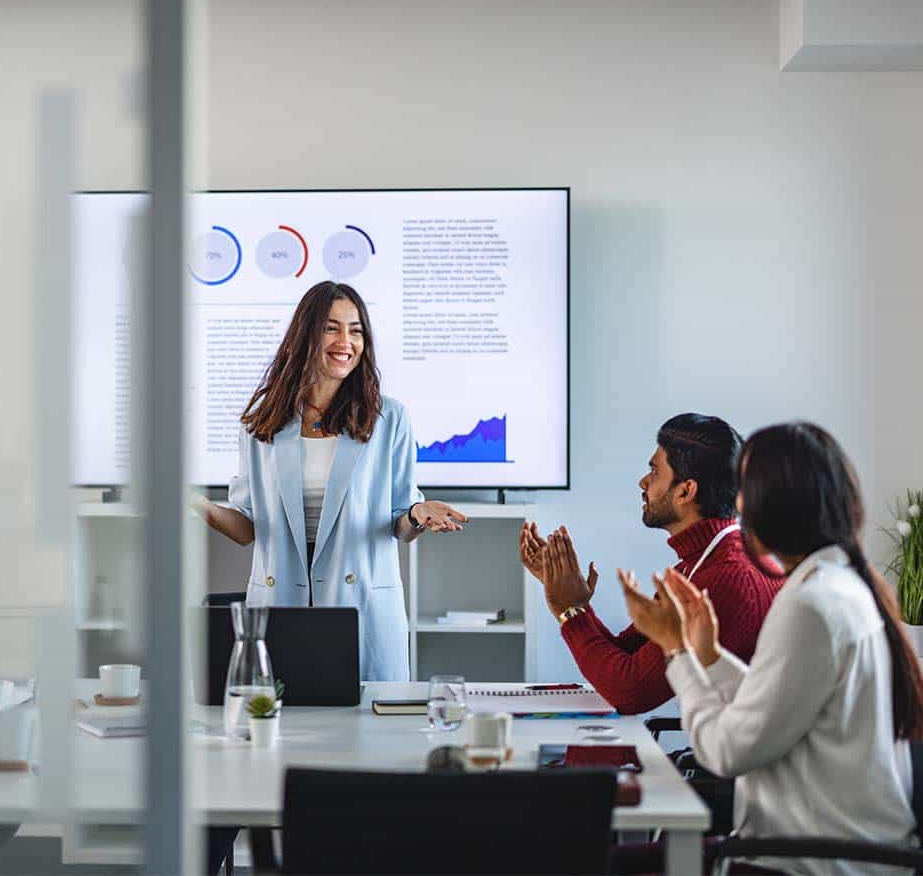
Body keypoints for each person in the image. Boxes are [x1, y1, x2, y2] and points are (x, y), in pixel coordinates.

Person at [620, 422, 921, 876]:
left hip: (808, 864)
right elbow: (782, 702)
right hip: (849, 856)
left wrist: (676, 653)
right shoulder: (841, 587)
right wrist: (708, 656)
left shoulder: (811, 606)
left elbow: (726, 753)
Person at [194, 281, 467, 682]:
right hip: (282, 604)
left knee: (369, 735)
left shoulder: (388, 418)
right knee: (280, 729)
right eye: (331, 328)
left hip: (361, 606)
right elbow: (246, 528)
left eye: (356, 330)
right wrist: (198, 505)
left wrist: (417, 513)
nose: (345, 341)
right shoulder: (262, 421)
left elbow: (400, 523)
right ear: (305, 335)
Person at [518, 413, 781, 714]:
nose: (642, 482)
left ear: (685, 491)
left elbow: (630, 692)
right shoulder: (704, 563)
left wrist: (569, 612)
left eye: (654, 470)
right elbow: (628, 656)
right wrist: (576, 605)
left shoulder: (727, 578)